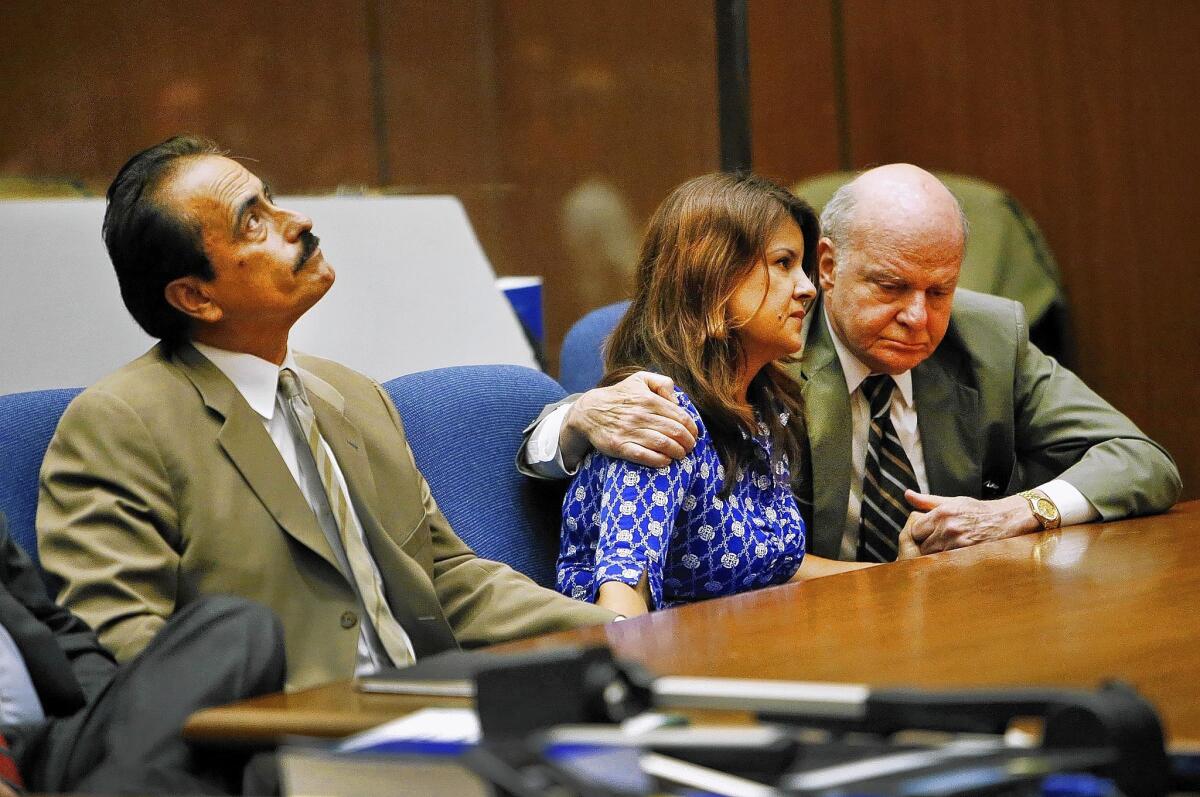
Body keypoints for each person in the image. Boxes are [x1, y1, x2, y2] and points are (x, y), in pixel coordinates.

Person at [37, 136, 615, 692]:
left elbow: (447, 581)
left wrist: (629, 637)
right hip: (278, 751)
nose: (298, 222)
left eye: (270, 199)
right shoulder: (118, 426)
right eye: (252, 221)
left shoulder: (353, 396)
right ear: (196, 297)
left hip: (431, 712)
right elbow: (124, 649)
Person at [525, 164, 1181, 562]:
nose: (919, 317)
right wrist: (579, 416)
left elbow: (1143, 459)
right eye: (892, 288)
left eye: (940, 290)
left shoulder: (989, 335)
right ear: (829, 268)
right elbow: (609, 418)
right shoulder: (765, 335)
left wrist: (1021, 509)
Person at [556, 174, 900, 618]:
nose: (808, 288)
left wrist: (898, 577)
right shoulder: (656, 416)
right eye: (782, 263)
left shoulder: (762, 407)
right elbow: (623, 597)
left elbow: (776, 568)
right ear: (714, 281)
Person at [0, 512, 284, 794]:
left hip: (43, 747)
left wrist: (118, 713)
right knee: (244, 775)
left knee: (236, 626)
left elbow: (58, 629)